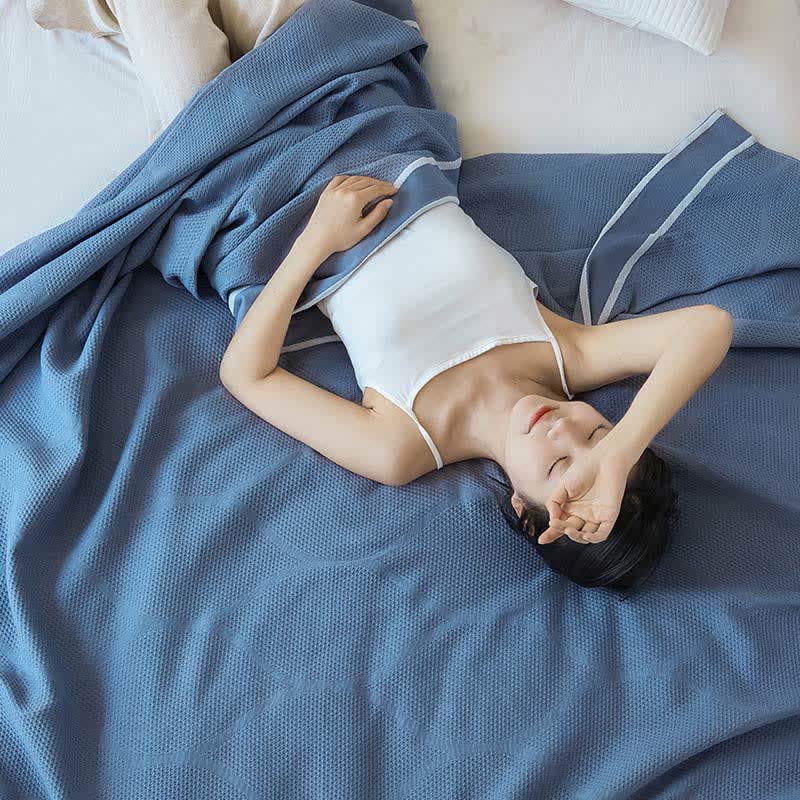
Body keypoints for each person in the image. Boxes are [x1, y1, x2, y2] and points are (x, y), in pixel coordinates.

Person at [219, 174, 734, 595]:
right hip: (381, 132)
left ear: (523, 511)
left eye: (559, 465)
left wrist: (315, 242)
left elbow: (247, 375)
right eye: (597, 433)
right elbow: (708, 325)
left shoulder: (402, 445)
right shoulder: (569, 353)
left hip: (276, 201)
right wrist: (619, 454)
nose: (563, 430)